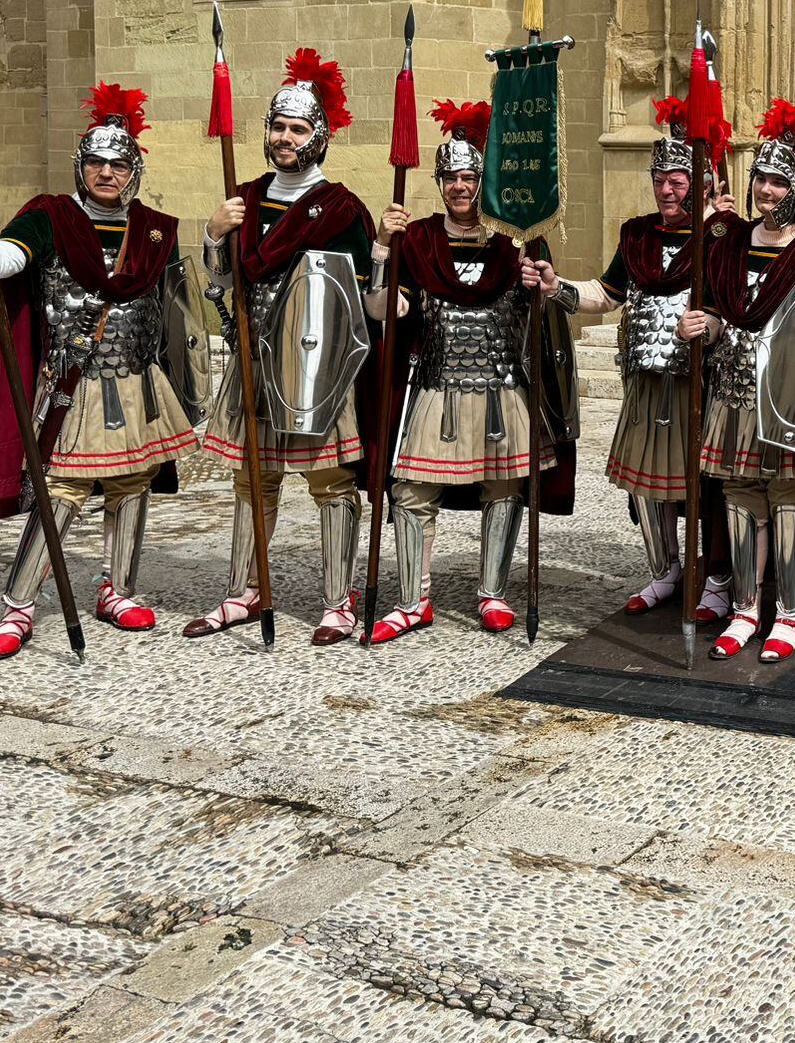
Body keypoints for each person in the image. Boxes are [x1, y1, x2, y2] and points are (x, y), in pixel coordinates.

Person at [0, 85, 200, 658]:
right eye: (95, 162)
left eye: (117, 163)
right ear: (79, 166)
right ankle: (19, 607)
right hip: (72, 381)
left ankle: (119, 589)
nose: (105, 173)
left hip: (138, 381)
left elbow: (174, 314)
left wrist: (188, 390)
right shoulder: (50, 217)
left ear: (133, 169)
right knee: (60, 489)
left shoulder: (156, 228)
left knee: (133, 482)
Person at [366, 100, 579, 643]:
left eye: (469, 176)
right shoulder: (416, 240)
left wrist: (540, 287)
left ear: (482, 179)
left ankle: (493, 592)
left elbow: (542, 311)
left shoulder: (517, 239)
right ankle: (413, 600)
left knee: (504, 488)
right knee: (411, 490)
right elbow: (387, 311)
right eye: (451, 178)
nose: (460, 186)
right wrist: (382, 255)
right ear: (439, 183)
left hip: (504, 385)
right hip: (436, 384)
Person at [188, 49, 378, 646]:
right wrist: (214, 235)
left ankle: (337, 600)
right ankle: (247, 590)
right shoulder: (243, 198)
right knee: (252, 479)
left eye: (298, 128)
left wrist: (386, 271)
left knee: (329, 481)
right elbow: (221, 284)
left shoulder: (343, 209)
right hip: (254, 357)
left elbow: (362, 298)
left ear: (318, 137)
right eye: (278, 126)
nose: (285, 137)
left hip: (317, 366)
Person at [531, 97, 736, 619]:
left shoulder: (721, 238)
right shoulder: (638, 235)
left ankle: (715, 579)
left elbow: (738, 307)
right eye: (660, 179)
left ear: (704, 183)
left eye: (679, 179)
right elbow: (606, 293)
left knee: (703, 484)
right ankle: (666, 570)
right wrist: (558, 289)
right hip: (645, 381)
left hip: (701, 382)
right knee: (649, 483)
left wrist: (710, 326)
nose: (667, 189)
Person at [678, 99, 795, 661]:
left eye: (779, 182)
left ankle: (787, 613)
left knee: (788, 499)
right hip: (734, 392)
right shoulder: (730, 241)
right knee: (738, 498)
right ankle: (742, 609)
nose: (765, 191)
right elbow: (718, 309)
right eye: (761, 179)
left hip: (792, 399)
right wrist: (703, 325)